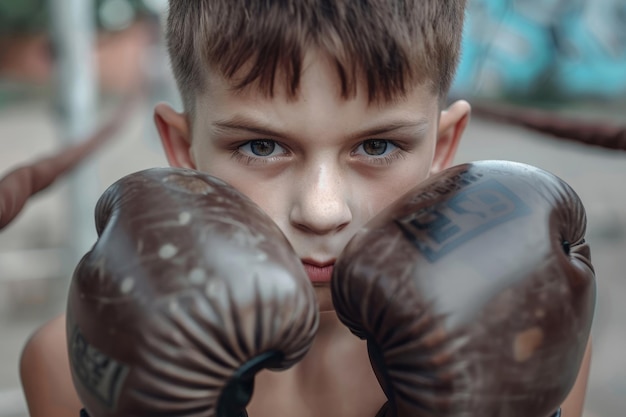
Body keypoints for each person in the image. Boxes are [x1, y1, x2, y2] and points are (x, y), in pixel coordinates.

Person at [19, 1, 593, 416]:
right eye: (261, 146)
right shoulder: (65, 364)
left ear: (443, 147)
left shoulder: (529, 339)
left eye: (377, 146)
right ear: (182, 149)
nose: (322, 212)